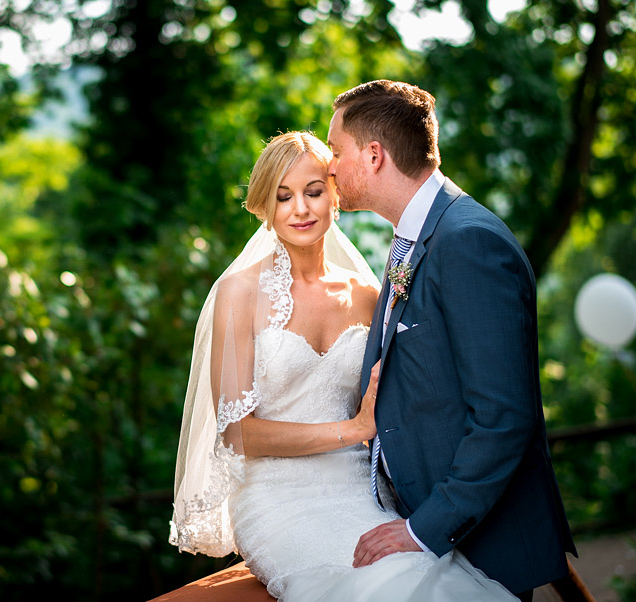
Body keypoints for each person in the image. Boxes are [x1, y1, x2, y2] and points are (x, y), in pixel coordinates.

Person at [169, 131, 517, 601]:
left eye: (314, 192)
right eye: (283, 196)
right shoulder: (239, 294)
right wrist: (352, 430)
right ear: (265, 207)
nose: (301, 209)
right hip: (277, 498)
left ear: (335, 195)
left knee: (429, 578)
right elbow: (238, 435)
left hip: (360, 491)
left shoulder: (368, 295)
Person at [326, 80, 577, 601]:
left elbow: (504, 417)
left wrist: (423, 529)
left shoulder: (468, 242)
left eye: (335, 150)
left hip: (477, 544)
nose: (329, 166)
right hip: (421, 530)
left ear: (373, 156)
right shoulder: (414, 239)